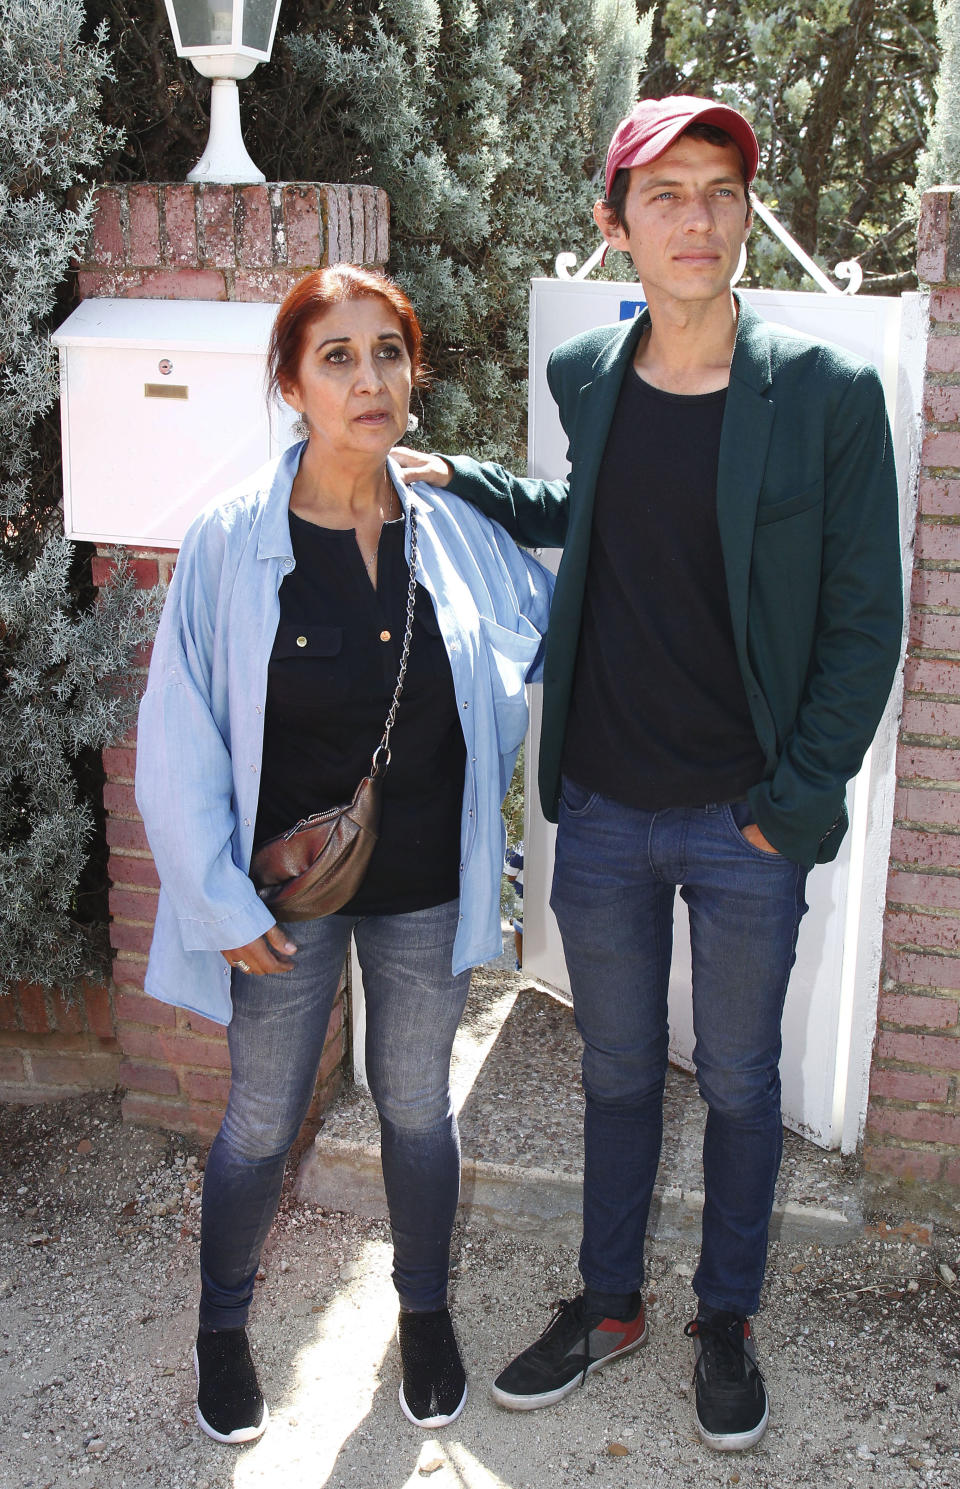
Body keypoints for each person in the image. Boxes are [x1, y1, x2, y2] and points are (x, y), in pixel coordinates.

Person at [394, 95, 903, 1451]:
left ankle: (723, 1316)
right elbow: (594, 509)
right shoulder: (595, 378)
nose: (700, 219)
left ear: (744, 216)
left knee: (738, 1078)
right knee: (618, 1070)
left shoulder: (827, 397)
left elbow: (867, 624)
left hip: (749, 818)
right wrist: (475, 482)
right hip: (609, 804)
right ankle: (607, 1300)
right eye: (666, 194)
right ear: (615, 225)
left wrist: (792, 806)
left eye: (721, 192)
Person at [135, 265, 552, 1444]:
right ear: (291, 384)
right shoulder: (230, 540)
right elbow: (178, 730)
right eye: (337, 356)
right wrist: (217, 901)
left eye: (389, 353)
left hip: (426, 881)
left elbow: (565, 591)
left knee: (419, 1108)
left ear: (413, 374)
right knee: (261, 1119)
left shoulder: (453, 523)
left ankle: (423, 1316)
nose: (369, 379)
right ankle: (223, 1329)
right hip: (285, 898)